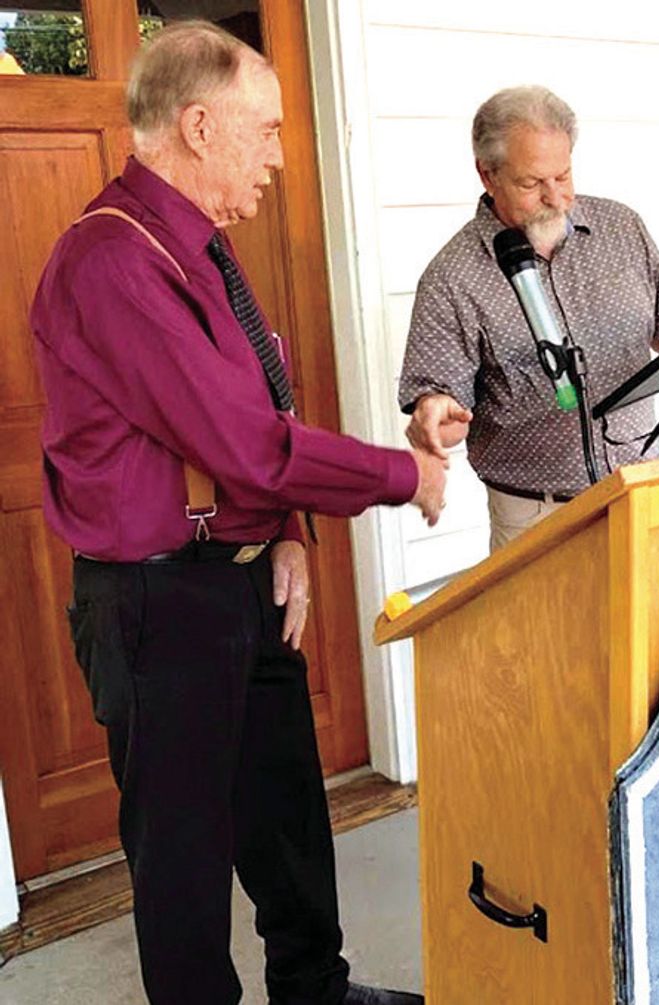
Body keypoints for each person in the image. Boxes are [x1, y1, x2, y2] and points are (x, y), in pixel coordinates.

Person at [30, 21, 432, 1005]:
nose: (282, 156)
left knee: (288, 818)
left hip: (242, 583)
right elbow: (243, 442)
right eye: (268, 131)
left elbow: (259, 399)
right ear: (201, 126)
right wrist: (404, 474)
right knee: (185, 863)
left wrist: (287, 533)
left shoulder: (204, 248)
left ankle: (316, 991)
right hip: (159, 607)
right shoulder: (113, 262)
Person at [399, 85, 659, 550]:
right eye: (532, 183)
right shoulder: (452, 277)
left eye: (563, 175)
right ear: (487, 175)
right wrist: (434, 416)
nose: (556, 197)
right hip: (535, 515)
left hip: (642, 485)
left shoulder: (622, 227)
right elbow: (447, 417)